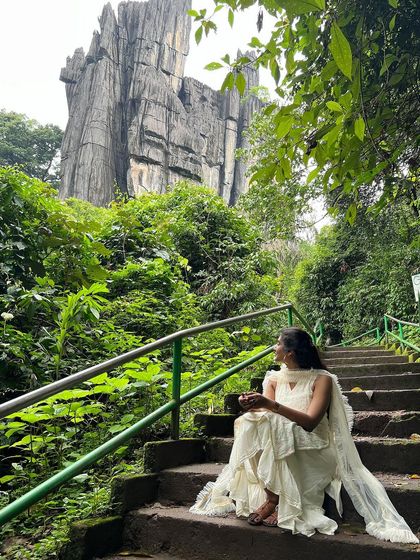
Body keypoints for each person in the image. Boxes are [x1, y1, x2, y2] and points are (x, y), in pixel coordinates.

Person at [190, 327, 418, 544]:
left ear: (289, 352)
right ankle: (273, 495)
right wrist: (248, 405)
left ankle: (273, 500)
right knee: (249, 421)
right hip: (278, 437)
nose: (274, 348)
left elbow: (310, 422)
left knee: (273, 428)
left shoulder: (322, 379)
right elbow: (263, 413)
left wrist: (270, 404)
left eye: (278, 344)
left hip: (312, 444)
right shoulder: (272, 378)